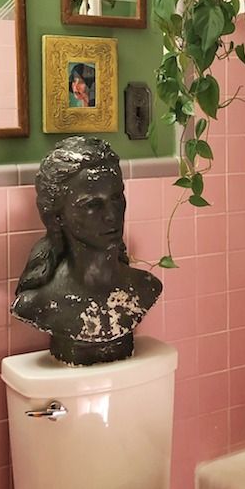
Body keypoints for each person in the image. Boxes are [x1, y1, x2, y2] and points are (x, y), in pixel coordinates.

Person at [11, 136, 162, 365]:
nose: (112, 215)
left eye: (116, 198)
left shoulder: (145, 287)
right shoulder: (38, 304)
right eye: (92, 205)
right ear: (57, 216)